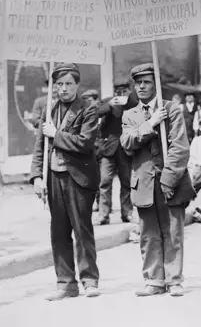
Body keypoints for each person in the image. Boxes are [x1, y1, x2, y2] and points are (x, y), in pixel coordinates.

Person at [120, 63, 194, 297]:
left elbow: (180, 147)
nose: (141, 86)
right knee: (148, 234)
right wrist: (150, 124)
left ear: (156, 85)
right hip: (143, 183)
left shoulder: (171, 110)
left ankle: (174, 280)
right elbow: (127, 143)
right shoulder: (129, 114)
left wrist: (169, 179)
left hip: (171, 180)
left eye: (147, 82)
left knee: (172, 232)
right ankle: (154, 280)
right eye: (138, 83)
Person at [29, 62, 101, 300]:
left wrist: (56, 135)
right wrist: (37, 177)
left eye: (69, 84)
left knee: (82, 230)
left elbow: (85, 142)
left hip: (78, 177)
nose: (63, 89)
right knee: (58, 231)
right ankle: (66, 283)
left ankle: (89, 280)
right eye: (59, 84)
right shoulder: (48, 109)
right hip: (53, 179)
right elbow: (40, 146)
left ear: (77, 85)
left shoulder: (88, 109)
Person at [94, 79, 138, 225]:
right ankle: (103, 215)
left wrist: (128, 101)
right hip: (108, 148)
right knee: (104, 180)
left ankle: (127, 213)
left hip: (126, 148)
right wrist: (109, 105)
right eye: (118, 92)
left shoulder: (133, 103)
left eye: (124, 91)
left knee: (126, 182)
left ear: (129, 91)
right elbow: (95, 113)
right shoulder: (108, 101)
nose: (121, 94)